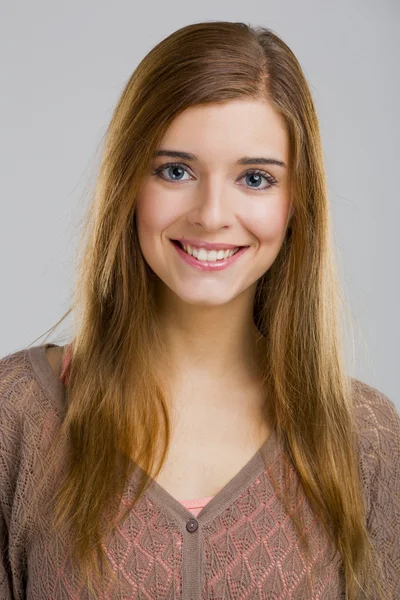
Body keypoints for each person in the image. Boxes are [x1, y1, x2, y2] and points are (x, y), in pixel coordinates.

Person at [0, 20, 399, 600]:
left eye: (255, 178)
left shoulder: (368, 438)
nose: (212, 214)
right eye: (175, 171)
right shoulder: (16, 415)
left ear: (296, 204)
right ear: (128, 184)